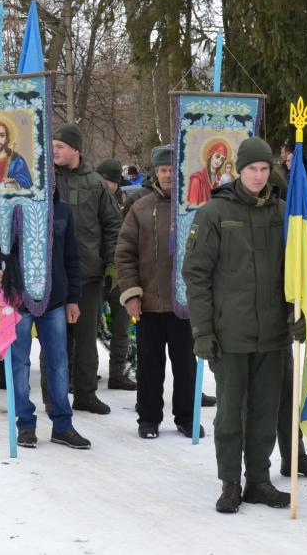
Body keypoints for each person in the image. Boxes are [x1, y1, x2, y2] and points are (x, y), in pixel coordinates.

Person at [182, 136, 294, 514]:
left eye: (265, 169)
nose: (259, 176)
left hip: (273, 333)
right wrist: (202, 331)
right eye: (252, 169)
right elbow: (196, 275)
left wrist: (299, 315)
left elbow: (299, 272)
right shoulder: (214, 213)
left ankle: (258, 481)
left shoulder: (284, 213)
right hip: (230, 334)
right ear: (238, 170)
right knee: (230, 412)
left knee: (265, 410)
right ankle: (230, 482)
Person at [0, 188, 91, 450]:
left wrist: (73, 297)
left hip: (54, 299)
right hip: (18, 298)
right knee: (19, 363)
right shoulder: (8, 207)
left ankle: (63, 425)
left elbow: (72, 256)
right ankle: (25, 424)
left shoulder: (61, 209)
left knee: (59, 363)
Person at [117, 145, 198, 439]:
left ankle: (187, 417)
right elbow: (124, 254)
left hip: (183, 304)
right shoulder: (140, 208)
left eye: (172, 170)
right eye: (162, 170)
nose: (167, 175)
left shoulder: (194, 209)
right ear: (156, 173)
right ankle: (148, 419)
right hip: (148, 303)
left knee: (186, 366)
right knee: (150, 366)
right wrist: (132, 294)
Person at [52, 123, 122, 415]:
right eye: (52, 146)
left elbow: (112, 225)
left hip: (87, 275)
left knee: (85, 339)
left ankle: (85, 394)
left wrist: (111, 265)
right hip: (52, 274)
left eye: (61, 146)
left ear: (76, 150)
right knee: (54, 339)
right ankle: (55, 395)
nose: (54, 150)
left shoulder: (95, 184)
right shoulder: (44, 180)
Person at [95, 157, 137, 390]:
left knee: (122, 327)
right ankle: (86, 372)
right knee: (88, 327)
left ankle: (117, 373)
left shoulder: (127, 204)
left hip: (121, 273)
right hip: (95, 272)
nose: (105, 184)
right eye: (102, 179)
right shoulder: (91, 201)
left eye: (109, 181)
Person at [186, 140, 230, 206]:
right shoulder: (197, 179)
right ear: (210, 155)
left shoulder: (221, 178)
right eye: (217, 156)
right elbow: (192, 207)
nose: (218, 161)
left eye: (222, 159)